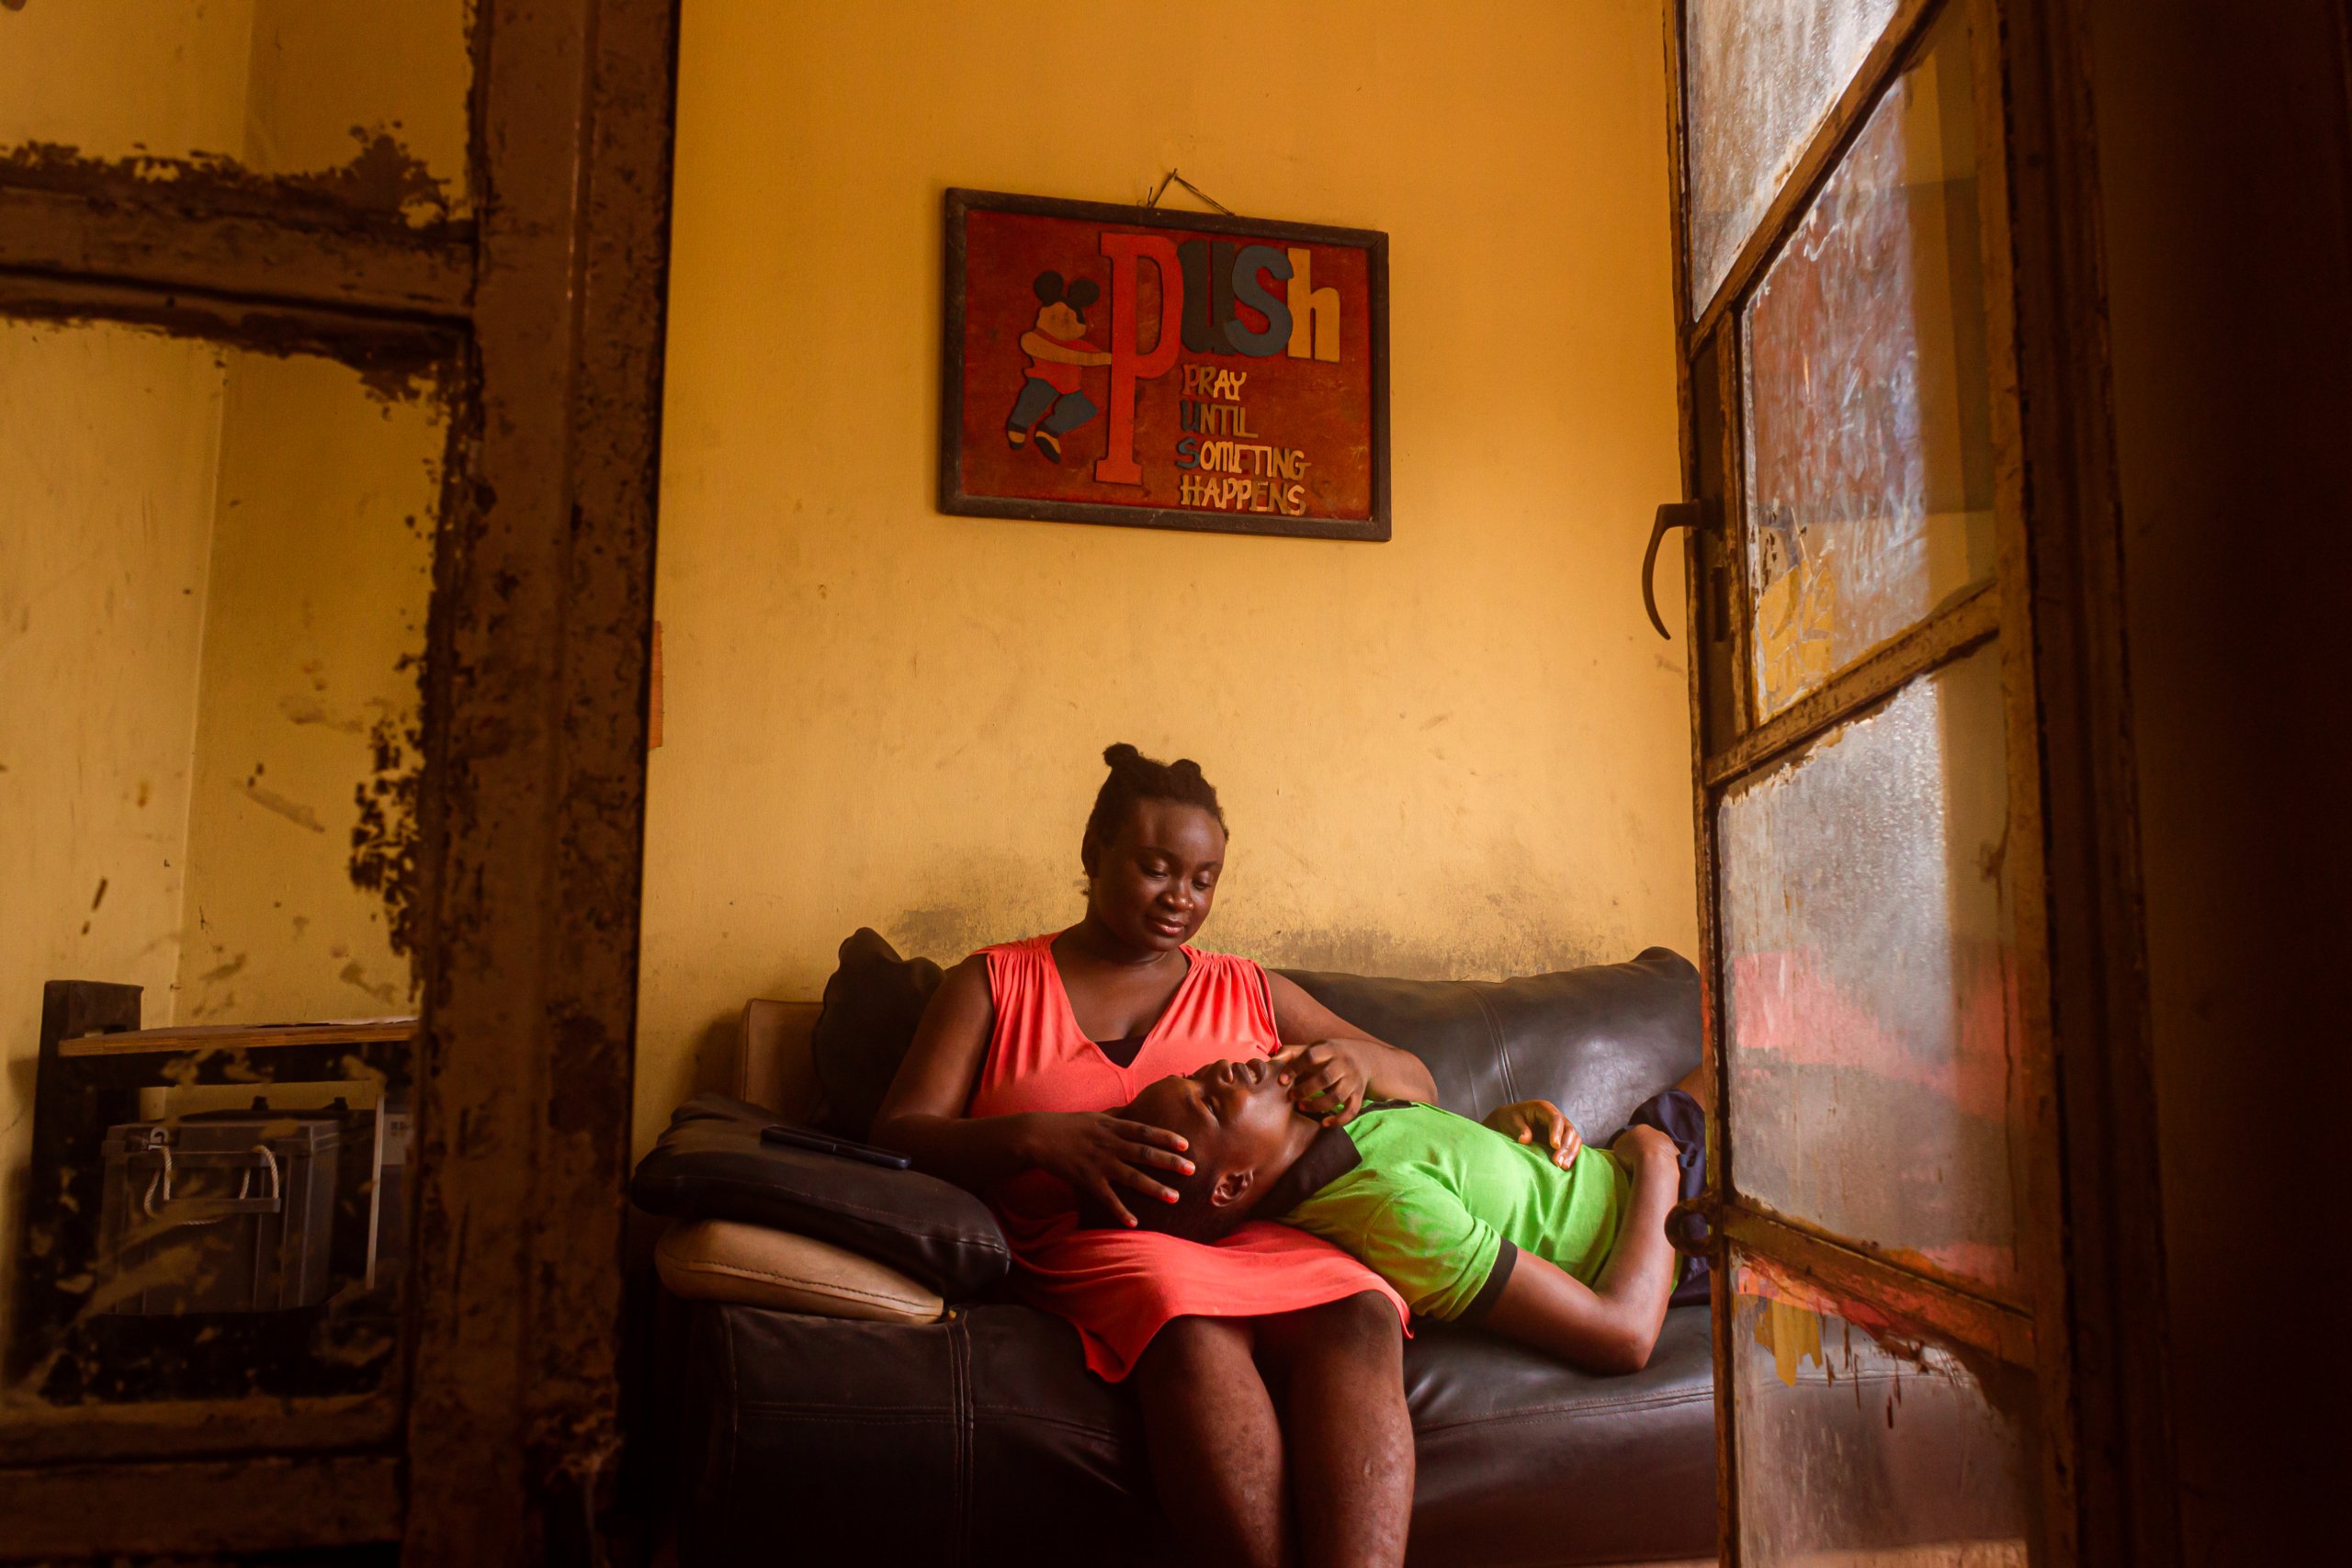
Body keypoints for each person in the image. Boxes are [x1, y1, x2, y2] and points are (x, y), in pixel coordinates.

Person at [870, 743, 1440, 1568]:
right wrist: (1034, 1135)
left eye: (1203, 879)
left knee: (1359, 1306)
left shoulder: (1247, 987)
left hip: (1251, 1239)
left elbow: (1417, 1078)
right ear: (1093, 852)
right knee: (1184, 1311)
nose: (1182, 898)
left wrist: (1357, 1064)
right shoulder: (992, 983)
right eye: (1156, 867)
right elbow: (898, 1131)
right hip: (1087, 1244)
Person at [1098, 1057, 1708, 1375]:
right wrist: (1657, 1156)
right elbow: (1622, 1335)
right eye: (1209, 1099)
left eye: (1198, 1074)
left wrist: (1498, 1133)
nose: (1220, 1068)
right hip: (1680, 1228)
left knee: (1753, 1031)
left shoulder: (1338, 1131)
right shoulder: (1386, 1209)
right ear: (1233, 1185)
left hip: (1632, 1164)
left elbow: (1452, 1171)